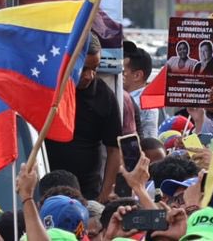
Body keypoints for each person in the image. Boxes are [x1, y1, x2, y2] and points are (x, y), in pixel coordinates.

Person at [44, 34, 122, 201]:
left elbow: (114, 149)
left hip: (87, 191)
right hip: (45, 185)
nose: (89, 76)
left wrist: (105, 193)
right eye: (84, 68)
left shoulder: (104, 96)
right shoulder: (48, 88)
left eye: (95, 69)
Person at [121, 40, 159, 139]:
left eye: (122, 71)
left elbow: (148, 143)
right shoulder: (122, 97)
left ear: (137, 75)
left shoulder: (145, 104)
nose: (117, 75)